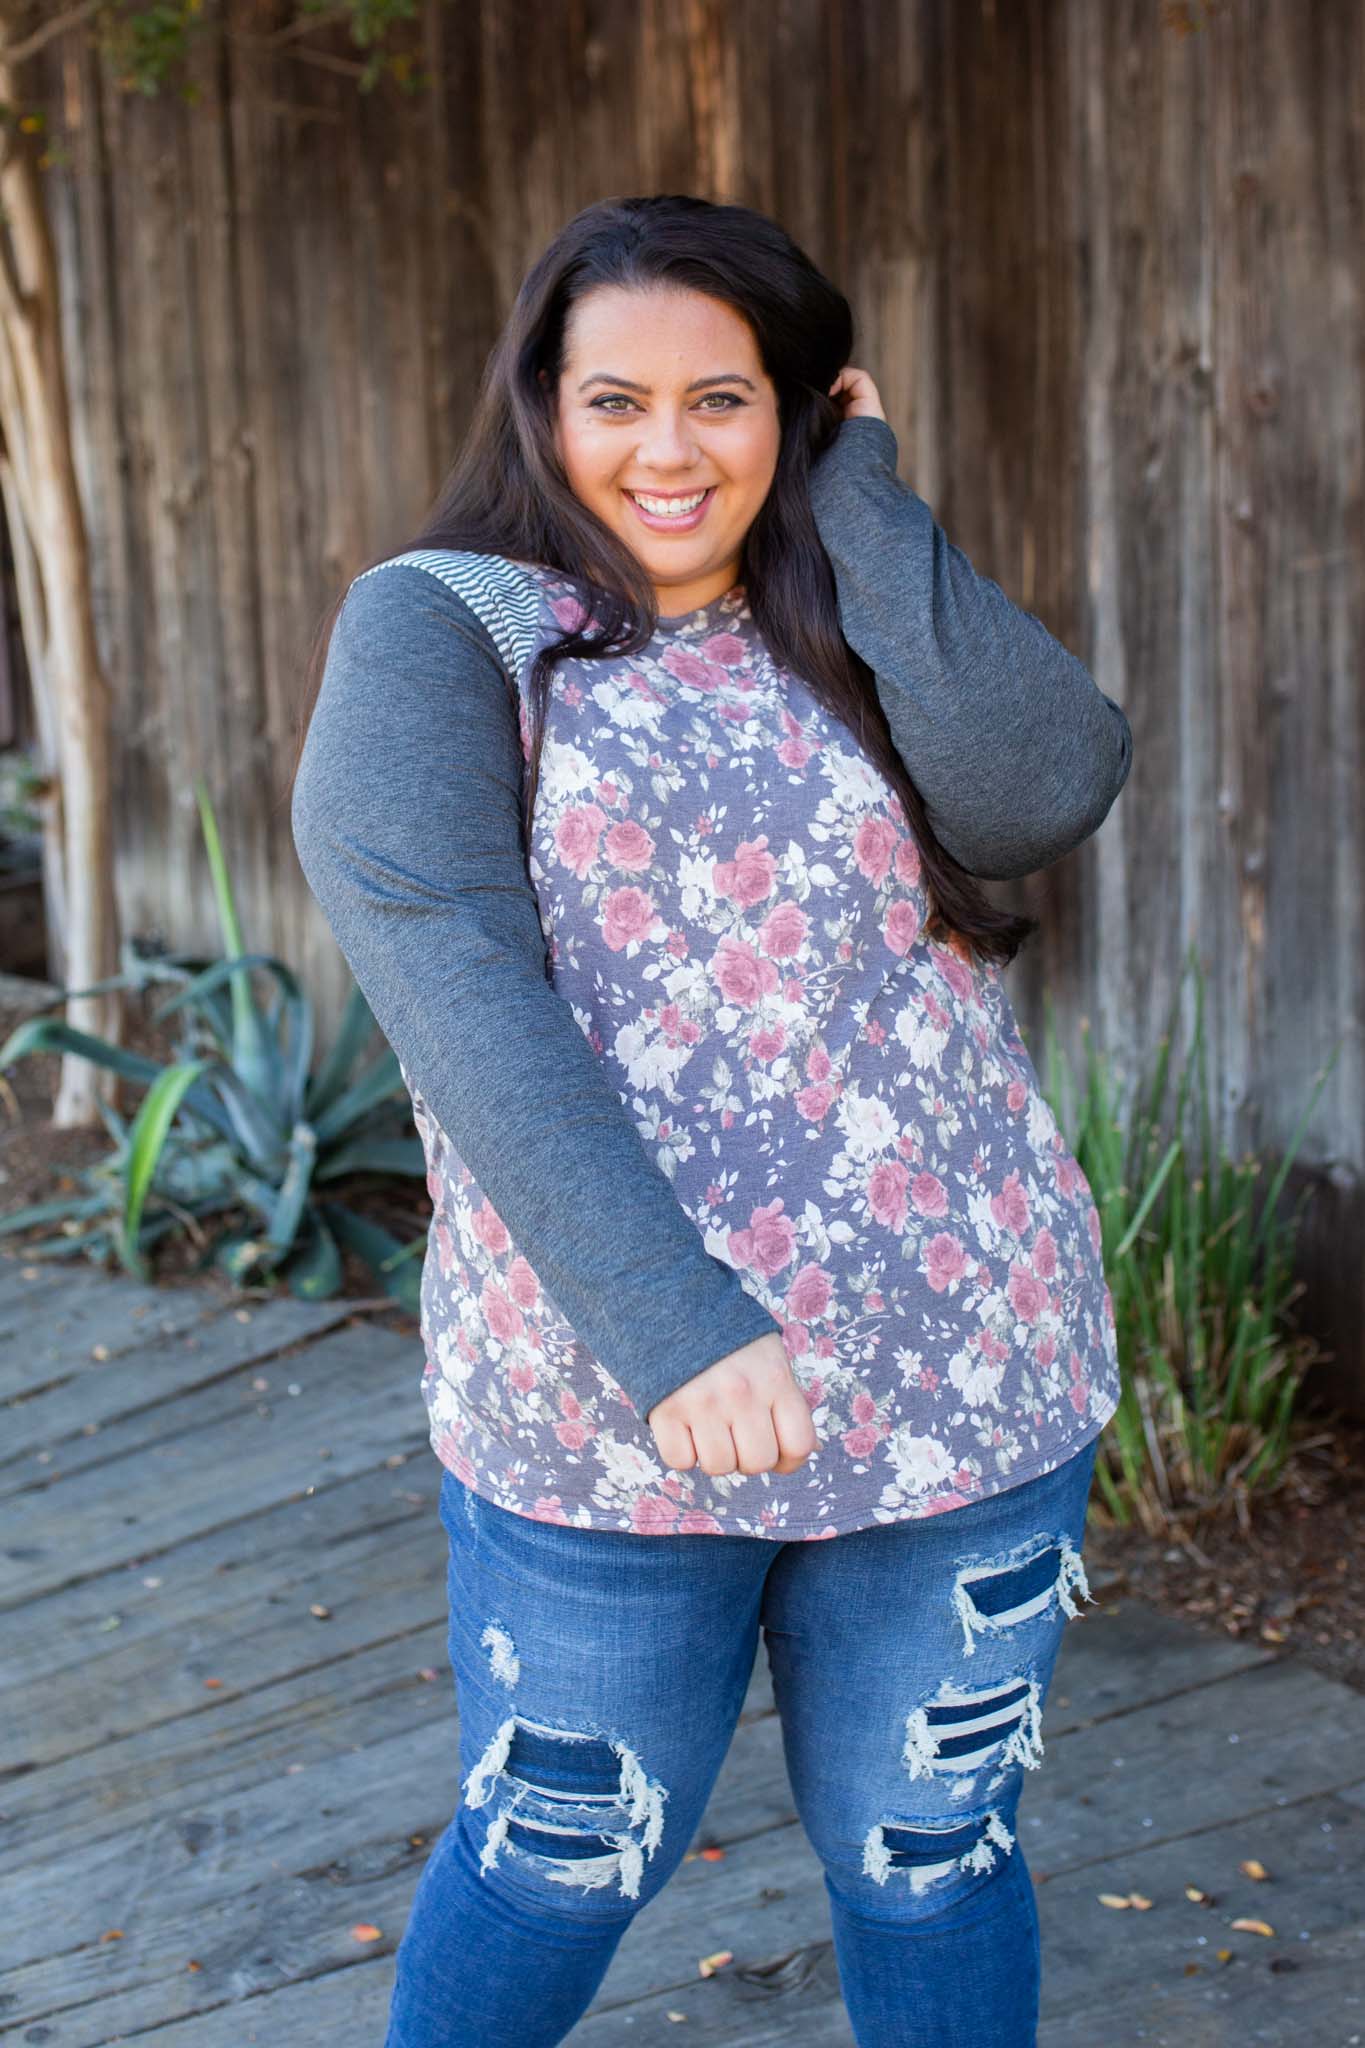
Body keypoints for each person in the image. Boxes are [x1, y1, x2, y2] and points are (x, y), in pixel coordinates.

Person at [288, 192, 1133, 2048]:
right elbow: (453, 986)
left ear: (797, 410)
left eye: (723, 401)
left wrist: (862, 498)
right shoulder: (446, 632)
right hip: (614, 1407)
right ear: (540, 406)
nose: (665, 451)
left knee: (932, 1849)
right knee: (557, 1854)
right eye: (614, 401)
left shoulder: (842, 616)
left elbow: (1050, 781)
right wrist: (679, 1325)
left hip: (962, 1364)